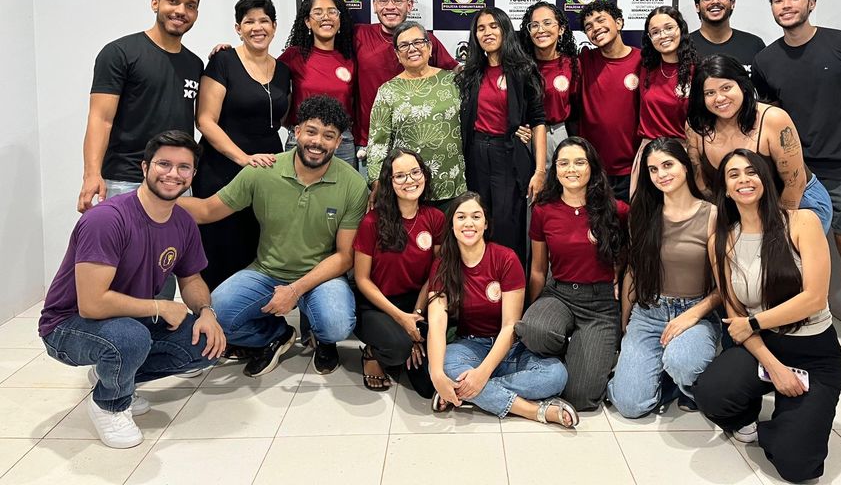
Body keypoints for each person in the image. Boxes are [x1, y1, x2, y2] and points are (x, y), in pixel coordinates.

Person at [40, 131, 225, 449]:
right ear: (145, 167)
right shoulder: (107, 220)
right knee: (130, 337)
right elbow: (92, 305)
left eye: (183, 167)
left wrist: (207, 312)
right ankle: (110, 404)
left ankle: (114, 376)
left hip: (127, 319)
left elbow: (191, 279)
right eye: (164, 164)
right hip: (67, 326)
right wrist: (160, 307)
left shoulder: (182, 222)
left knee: (205, 343)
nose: (173, 174)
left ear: (192, 175)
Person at [752, 0, 841, 375]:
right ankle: (797, 332)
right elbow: (769, 120)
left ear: (811, 2)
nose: (786, 5)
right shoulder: (765, 61)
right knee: (793, 255)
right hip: (795, 176)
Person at [178, 95, 367, 377]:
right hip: (266, 272)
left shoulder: (353, 184)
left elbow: (344, 256)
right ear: (297, 132)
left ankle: (323, 339)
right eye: (311, 131)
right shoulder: (263, 171)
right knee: (217, 315)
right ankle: (275, 335)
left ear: (338, 143)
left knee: (337, 324)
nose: (318, 142)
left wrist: (295, 290)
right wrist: (152, 200)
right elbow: (206, 210)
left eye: (329, 136)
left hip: (320, 276)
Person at [696, 149, 841, 483]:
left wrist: (754, 322)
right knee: (711, 394)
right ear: (725, 189)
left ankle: (785, 424)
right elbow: (735, 314)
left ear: (765, 179)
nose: (744, 180)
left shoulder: (802, 222)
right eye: (733, 175)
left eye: (751, 172)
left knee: (798, 467)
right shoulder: (721, 241)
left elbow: (814, 298)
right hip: (762, 348)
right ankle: (751, 416)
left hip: (813, 352)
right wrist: (774, 367)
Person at [426, 192, 578, 427]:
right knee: (444, 366)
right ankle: (533, 410)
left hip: (511, 347)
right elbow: (436, 323)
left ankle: (464, 393)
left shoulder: (506, 259)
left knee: (556, 376)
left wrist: (481, 375)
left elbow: (510, 326)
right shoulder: (442, 265)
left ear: (486, 224)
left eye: (476, 217)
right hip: (470, 346)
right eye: (461, 217)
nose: (469, 223)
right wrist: (436, 374)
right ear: (452, 225)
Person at [607, 138, 719, 418]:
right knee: (630, 405)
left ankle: (684, 373)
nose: (661, 175)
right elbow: (633, 271)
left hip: (694, 313)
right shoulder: (642, 214)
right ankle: (667, 377)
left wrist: (692, 315)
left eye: (668, 165)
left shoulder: (711, 214)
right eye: (653, 169)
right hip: (649, 313)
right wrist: (625, 323)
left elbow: (725, 287)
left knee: (681, 361)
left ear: (685, 166)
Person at [514, 137, 627, 411]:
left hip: (600, 305)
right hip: (560, 294)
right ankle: (566, 349)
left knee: (580, 398)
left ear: (592, 167)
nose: (571, 169)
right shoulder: (543, 210)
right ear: (555, 169)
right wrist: (530, 311)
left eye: (579, 162)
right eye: (563, 163)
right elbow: (538, 269)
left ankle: (584, 354)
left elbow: (629, 259)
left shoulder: (617, 210)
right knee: (535, 331)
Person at [77, 0, 204, 214]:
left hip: (176, 182)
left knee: (174, 240)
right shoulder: (120, 53)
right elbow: (100, 119)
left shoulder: (195, 64)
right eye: (173, 1)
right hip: (125, 180)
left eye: (190, 6)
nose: (181, 11)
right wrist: (91, 174)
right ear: (155, 3)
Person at [194, 0, 291, 291]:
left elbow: (279, 118)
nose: (257, 27)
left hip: (267, 169)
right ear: (238, 28)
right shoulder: (223, 61)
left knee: (258, 242)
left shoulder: (283, 70)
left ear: (274, 27)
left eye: (264, 21)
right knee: (220, 246)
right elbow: (205, 120)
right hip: (222, 167)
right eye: (249, 22)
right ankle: (212, 313)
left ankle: (254, 313)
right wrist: (243, 158)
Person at [685, 55, 833, 233]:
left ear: (742, 86)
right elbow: (701, 183)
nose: (719, 98)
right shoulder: (696, 127)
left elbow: (795, 183)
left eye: (726, 88)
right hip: (740, 206)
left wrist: (774, 230)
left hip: (797, 202)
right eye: (710, 93)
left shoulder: (774, 119)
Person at [457, 7, 547, 269]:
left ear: (505, 29)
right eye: (481, 28)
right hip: (475, 154)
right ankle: (479, 282)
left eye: (494, 26)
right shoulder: (470, 73)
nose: (487, 32)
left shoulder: (523, 70)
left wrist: (540, 171)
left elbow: (538, 121)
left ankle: (511, 284)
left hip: (508, 154)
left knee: (508, 224)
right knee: (478, 220)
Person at [354, 149, 444, 396]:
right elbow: (362, 279)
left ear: (424, 175)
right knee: (398, 348)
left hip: (417, 305)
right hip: (377, 305)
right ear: (389, 182)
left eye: (415, 172)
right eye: (400, 176)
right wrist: (401, 319)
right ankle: (372, 352)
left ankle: (406, 346)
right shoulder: (372, 222)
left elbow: (436, 272)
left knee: (427, 387)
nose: (410, 180)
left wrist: (416, 315)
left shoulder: (435, 218)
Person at [354, 0, 459, 176]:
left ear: (410, 5)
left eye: (397, 0)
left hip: (418, 148)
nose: (390, 7)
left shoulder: (426, 41)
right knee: (376, 197)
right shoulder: (358, 35)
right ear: (374, 5)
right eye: (383, 0)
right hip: (370, 146)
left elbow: (457, 74)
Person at [367, 21, 467, 210]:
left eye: (418, 42)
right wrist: (376, 182)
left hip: (453, 184)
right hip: (407, 189)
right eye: (404, 45)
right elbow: (377, 143)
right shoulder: (388, 91)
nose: (412, 49)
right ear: (397, 54)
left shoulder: (454, 81)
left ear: (429, 47)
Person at [279, 0, 357, 166]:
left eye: (332, 12)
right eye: (318, 12)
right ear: (307, 22)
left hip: (342, 142)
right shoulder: (294, 55)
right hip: (302, 139)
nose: (326, 17)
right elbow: (262, 73)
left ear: (339, 20)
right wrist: (230, 53)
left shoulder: (350, 59)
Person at [628, 6, 698, 197]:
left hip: (683, 152)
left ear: (681, 29)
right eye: (655, 32)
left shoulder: (696, 71)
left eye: (669, 28)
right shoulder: (645, 67)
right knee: (646, 211)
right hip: (649, 152)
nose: (663, 35)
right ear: (649, 38)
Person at [577, 1, 643, 201]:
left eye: (601, 20)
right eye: (589, 26)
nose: (595, 28)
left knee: (632, 221)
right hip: (593, 170)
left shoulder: (643, 61)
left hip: (633, 169)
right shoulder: (583, 61)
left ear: (619, 23)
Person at [518, 1, 580, 161]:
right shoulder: (519, 66)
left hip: (558, 135)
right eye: (534, 25)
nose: (541, 30)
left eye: (547, 23)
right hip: (525, 138)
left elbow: (577, 108)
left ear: (561, 29)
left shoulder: (572, 64)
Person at [689, 0, 765, 69]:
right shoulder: (685, 45)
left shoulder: (754, 45)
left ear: (732, 3)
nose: (715, 1)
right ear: (697, 7)